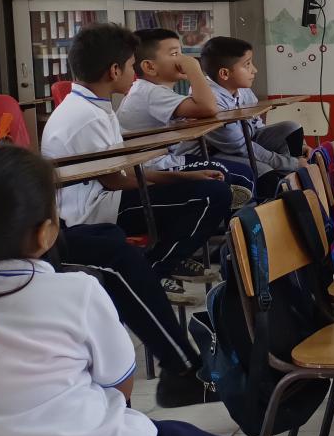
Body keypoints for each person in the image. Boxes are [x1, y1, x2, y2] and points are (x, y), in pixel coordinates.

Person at [0, 144, 234, 436]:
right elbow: (121, 386)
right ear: (46, 234)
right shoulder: (77, 292)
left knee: (110, 240)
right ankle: (182, 365)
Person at [40, 23, 231, 293]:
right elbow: (116, 181)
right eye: (131, 66)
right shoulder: (86, 116)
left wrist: (183, 178)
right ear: (114, 71)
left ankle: (161, 262)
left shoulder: (93, 106)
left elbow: (120, 173)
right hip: (91, 211)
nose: (134, 72)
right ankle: (156, 269)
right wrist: (179, 178)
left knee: (204, 188)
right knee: (212, 195)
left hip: (107, 196)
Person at [117, 28, 255, 205]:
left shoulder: (156, 91)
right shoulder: (149, 93)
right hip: (153, 166)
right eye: (175, 53)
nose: (182, 60)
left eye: (181, 53)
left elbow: (199, 110)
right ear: (150, 67)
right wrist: (194, 69)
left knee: (237, 169)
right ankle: (238, 228)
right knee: (239, 174)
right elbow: (208, 107)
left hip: (164, 160)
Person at [199, 36, 307, 199]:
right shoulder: (210, 100)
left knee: (291, 129)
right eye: (247, 64)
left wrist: (295, 151)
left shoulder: (241, 88)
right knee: (264, 171)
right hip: (216, 153)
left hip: (246, 143)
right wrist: (290, 163)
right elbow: (242, 147)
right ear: (224, 73)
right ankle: (270, 205)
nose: (254, 70)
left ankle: (292, 182)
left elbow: (256, 125)